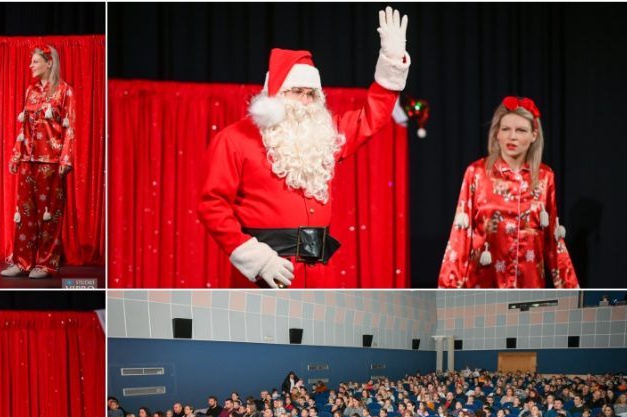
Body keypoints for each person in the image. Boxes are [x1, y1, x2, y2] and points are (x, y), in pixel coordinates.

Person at [197, 6, 411, 288]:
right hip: (268, 275)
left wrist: (392, 61)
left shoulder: (323, 136)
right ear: (274, 94)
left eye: (311, 94)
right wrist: (256, 258)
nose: (305, 102)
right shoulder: (234, 139)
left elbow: (372, 117)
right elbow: (212, 205)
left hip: (320, 276)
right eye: (296, 92)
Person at [438, 96, 578, 288]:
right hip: (484, 284)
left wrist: (569, 289)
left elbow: (553, 241)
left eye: (520, 130)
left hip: (529, 285)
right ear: (497, 134)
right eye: (505, 129)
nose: (512, 137)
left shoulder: (545, 176)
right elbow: (460, 236)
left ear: (533, 136)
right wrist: (448, 288)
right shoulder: (477, 173)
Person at [3, 43, 76, 279]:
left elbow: (70, 129)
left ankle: (45, 263)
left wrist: (66, 158)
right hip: (28, 160)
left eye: (35, 62)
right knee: (24, 213)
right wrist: (17, 153)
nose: (30, 66)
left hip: (51, 162)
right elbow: (23, 127)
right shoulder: (30, 91)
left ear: (49, 62)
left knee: (49, 215)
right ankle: (22, 261)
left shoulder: (65, 91)